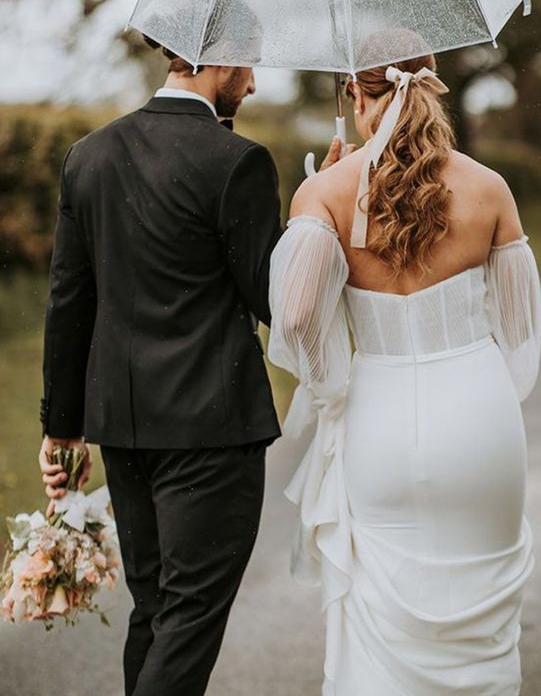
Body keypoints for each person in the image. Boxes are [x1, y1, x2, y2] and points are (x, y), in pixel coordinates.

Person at [37, 34, 344, 696]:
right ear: (218, 58)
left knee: (155, 611)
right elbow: (273, 299)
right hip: (212, 431)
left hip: (121, 427)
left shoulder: (87, 157)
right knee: (188, 619)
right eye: (249, 65)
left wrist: (60, 430)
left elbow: (70, 302)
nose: (255, 84)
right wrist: (319, 207)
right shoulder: (238, 163)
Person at [268, 36, 541, 695]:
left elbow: (297, 318)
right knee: (484, 623)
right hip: (480, 416)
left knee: (380, 625)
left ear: (356, 98)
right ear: (432, 87)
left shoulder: (326, 195)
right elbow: (519, 326)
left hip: (380, 422)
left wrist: (331, 379)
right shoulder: (490, 189)